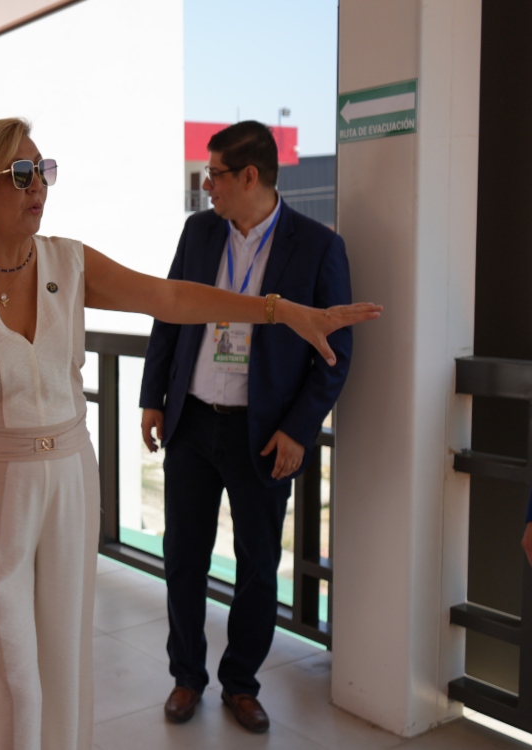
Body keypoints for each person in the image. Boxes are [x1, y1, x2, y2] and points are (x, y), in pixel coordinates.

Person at [0, 117, 381, 750]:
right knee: (15, 675)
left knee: (62, 661)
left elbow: (170, 300)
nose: (38, 186)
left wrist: (280, 310)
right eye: (21, 174)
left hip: (72, 479)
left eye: (43, 171)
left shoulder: (68, 261)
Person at [139, 120, 355, 735]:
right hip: (191, 423)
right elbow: (168, 312)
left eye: (215, 175)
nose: (206, 185)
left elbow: (335, 357)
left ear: (250, 177)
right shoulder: (199, 232)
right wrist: (153, 397)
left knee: (258, 565)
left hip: (261, 434)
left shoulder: (315, 247)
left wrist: (298, 429)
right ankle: (187, 676)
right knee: (182, 558)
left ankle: (241, 683)